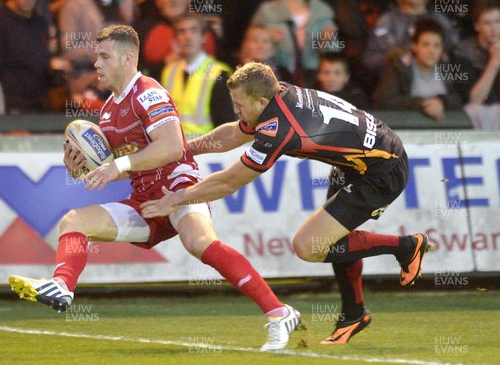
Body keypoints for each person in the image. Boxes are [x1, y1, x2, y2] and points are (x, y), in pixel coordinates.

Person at [9, 25, 301, 351]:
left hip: (178, 186)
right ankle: (62, 286)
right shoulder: (107, 112)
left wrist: (117, 166)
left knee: (199, 242)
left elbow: (173, 147)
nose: (97, 64)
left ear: (127, 58)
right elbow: (132, 162)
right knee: (73, 221)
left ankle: (279, 312)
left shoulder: (148, 92)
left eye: (104, 56)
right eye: (96, 57)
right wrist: (88, 169)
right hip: (145, 200)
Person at [141, 62, 432, 345]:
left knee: (309, 246)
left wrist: (177, 198)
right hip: (360, 160)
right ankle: (353, 314)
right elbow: (232, 133)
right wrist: (183, 150)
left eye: (240, 106)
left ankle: (406, 246)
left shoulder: (278, 128)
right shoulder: (278, 96)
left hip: (381, 171)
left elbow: (230, 181)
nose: (236, 111)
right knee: (331, 237)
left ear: (262, 100)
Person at [362, 0, 458, 94]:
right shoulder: (387, 21)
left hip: (435, 92)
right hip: (397, 91)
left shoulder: (439, 21)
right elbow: (369, 61)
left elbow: (454, 57)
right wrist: (393, 60)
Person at [251, 0, 338, 88]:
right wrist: (266, 38)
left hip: (315, 83)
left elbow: (335, 56)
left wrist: (327, 42)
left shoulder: (323, 11)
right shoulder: (266, 11)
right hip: (276, 83)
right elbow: (249, 48)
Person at [161, 14, 235, 137]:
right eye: (181, 31)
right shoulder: (169, 71)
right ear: (175, 39)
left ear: (203, 37)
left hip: (206, 150)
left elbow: (225, 124)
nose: (188, 37)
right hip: (175, 149)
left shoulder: (219, 73)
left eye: (194, 31)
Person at [373, 17, 461, 120]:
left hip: (441, 129)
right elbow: (384, 101)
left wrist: (442, 102)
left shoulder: (445, 68)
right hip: (406, 128)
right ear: (414, 46)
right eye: (425, 45)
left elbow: (458, 99)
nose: (431, 51)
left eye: (437, 46)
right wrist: (421, 104)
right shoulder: (398, 67)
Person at [453, 0, 500, 129]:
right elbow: (474, 100)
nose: (494, 29)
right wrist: (494, 62)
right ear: (477, 26)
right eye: (488, 23)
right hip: (471, 124)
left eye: (498, 22)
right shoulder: (463, 53)